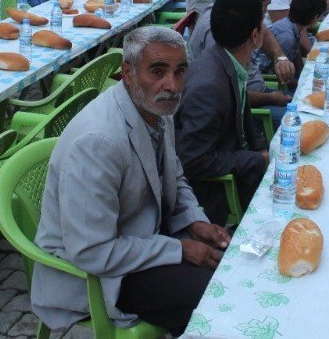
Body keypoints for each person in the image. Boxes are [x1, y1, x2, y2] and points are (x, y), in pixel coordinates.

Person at [31, 26, 227, 335]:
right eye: (158, 71)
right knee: (214, 296)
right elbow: (91, 252)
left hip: (142, 238)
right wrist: (180, 249)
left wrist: (194, 221)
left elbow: (174, 175)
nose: (172, 85)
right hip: (100, 274)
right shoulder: (99, 141)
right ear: (128, 73)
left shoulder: (157, 107)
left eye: (179, 72)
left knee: (232, 264)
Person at [176, 0, 269, 225]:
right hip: (211, 195)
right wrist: (254, 159)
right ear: (255, 35)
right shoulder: (209, 87)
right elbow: (191, 160)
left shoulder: (227, 60)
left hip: (237, 156)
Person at [256, 0, 324, 76]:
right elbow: (281, 75)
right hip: (265, 75)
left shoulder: (293, 25)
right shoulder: (287, 38)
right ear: (315, 18)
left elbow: (296, 54)